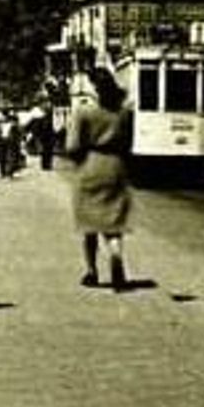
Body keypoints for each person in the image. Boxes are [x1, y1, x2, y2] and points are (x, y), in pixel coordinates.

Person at [66, 68, 135, 291]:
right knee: (113, 224)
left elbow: (73, 146)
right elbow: (128, 145)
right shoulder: (124, 113)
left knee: (89, 223)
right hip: (116, 167)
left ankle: (91, 271)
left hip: (91, 164)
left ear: (93, 88)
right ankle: (115, 255)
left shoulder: (84, 112)